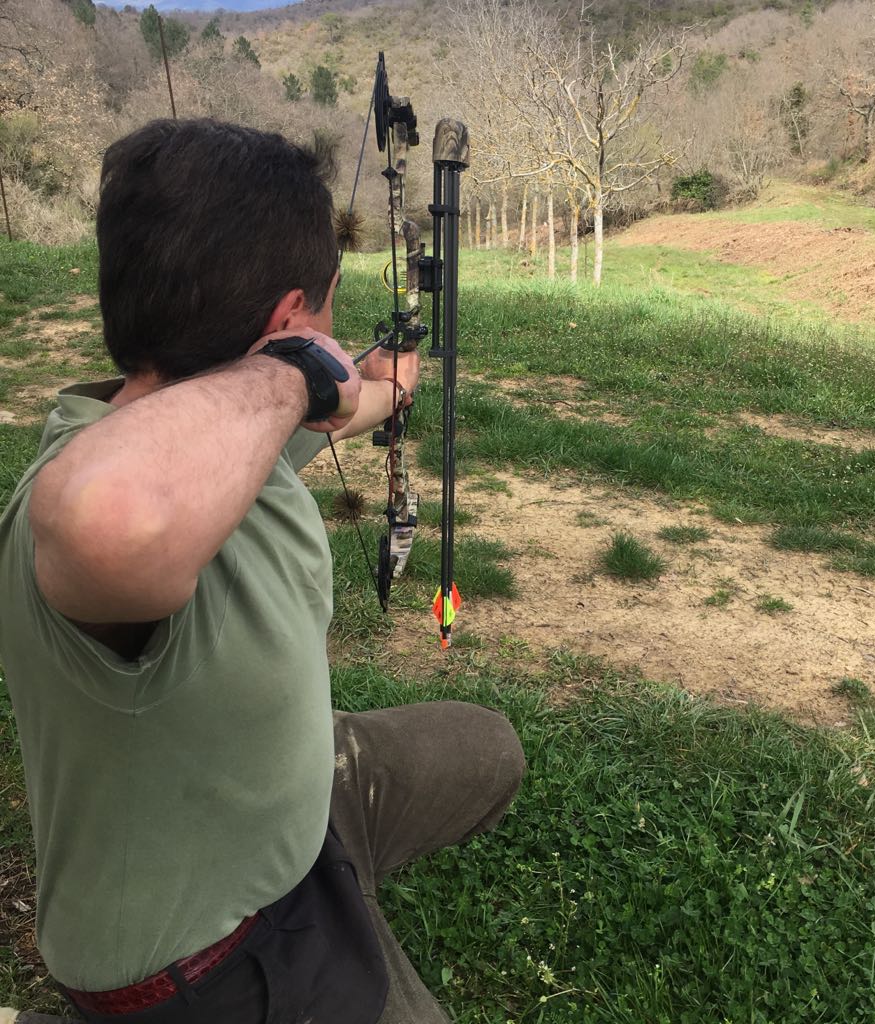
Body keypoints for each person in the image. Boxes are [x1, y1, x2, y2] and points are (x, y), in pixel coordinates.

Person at [0, 118, 525, 1024]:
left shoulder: (225, 430)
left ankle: (326, 850)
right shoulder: (103, 489)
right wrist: (296, 374)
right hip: (214, 970)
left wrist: (387, 381)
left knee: (489, 750)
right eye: (321, 312)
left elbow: (312, 416)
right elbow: (113, 516)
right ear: (289, 325)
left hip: (297, 811)